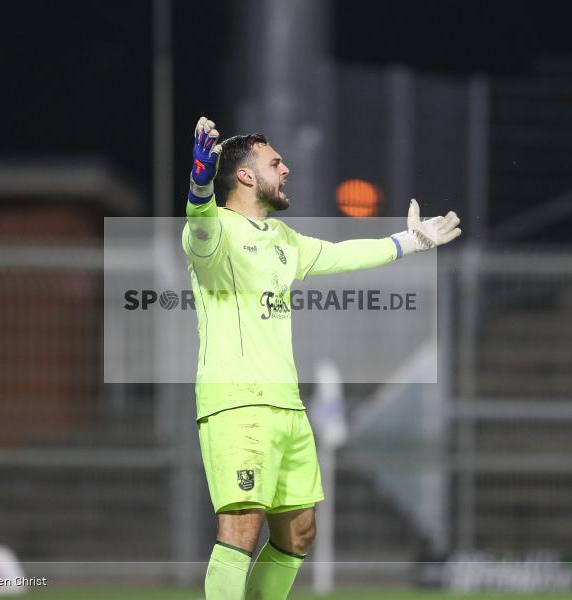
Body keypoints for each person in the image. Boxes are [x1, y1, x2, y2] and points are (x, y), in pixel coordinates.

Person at [182, 116, 461, 599]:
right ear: (245, 176)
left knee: (300, 532)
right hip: (237, 403)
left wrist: (410, 242)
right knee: (242, 529)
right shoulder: (215, 233)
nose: (286, 169)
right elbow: (199, 227)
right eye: (275, 162)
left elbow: (342, 254)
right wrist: (199, 183)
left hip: (286, 406)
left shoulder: (284, 241)